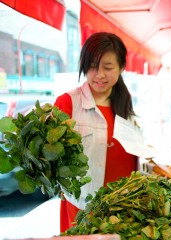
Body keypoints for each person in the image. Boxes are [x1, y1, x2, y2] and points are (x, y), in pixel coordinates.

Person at [54, 32, 138, 233]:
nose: (99, 75)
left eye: (108, 68)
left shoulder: (124, 104)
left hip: (124, 206)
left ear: (121, 68)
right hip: (84, 209)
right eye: (92, 66)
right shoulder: (68, 103)